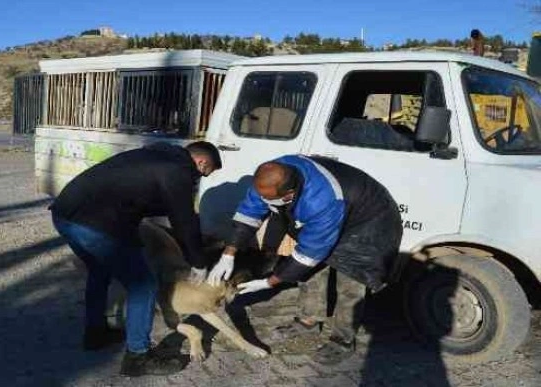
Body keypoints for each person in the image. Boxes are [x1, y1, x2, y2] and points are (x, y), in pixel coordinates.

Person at [207, 154, 402, 365]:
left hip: (368, 222)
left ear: (289, 195)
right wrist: (228, 254)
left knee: (350, 283)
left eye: (270, 201)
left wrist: (269, 282)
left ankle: (342, 338)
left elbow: (309, 253)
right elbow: (248, 214)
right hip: (336, 210)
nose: (264, 203)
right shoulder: (268, 179)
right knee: (310, 273)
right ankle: (308, 319)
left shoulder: (322, 199)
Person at [50, 141, 221, 377]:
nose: (198, 179)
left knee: (100, 271)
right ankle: (137, 357)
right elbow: (184, 221)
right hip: (93, 224)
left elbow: (140, 199)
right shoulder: (177, 170)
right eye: (204, 173)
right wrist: (199, 262)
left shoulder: (153, 157)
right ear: (201, 162)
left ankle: (95, 333)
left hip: (65, 215)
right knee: (144, 285)